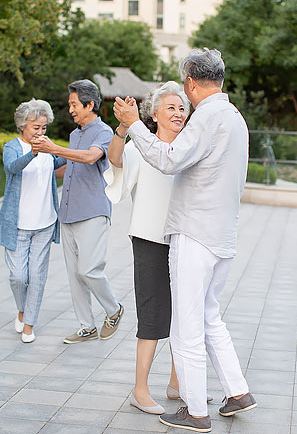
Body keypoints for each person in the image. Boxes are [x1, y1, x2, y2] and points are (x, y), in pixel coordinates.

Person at [113, 49, 256, 433]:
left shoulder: (207, 117)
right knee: (210, 317)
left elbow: (170, 159)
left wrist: (133, 124)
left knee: (187, 325)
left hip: (194, 234)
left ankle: (195, 411)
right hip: (223, 233)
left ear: (191, 83)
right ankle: (238, 391)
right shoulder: (235, 118)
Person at [105, 82, 191, 415]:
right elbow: (115, 159)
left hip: (182, 241)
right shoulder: (142, 147)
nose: (178, 113)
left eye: (182, 108)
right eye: (170, 107)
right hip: (149, 241)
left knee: (184, 315)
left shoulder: (187, 148)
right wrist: (124, 128)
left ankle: (177, 384)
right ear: (154, 114)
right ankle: (140, 390)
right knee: (153, 317)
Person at [32, 79, 124, 344]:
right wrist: (42, 157)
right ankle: (86, 326)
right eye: (69, 104)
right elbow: (67, 165)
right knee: (74, 274)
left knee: (89, 269)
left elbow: (90, 157)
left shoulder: (103, 132)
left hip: (93, 210)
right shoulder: (75, 134)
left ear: (90, 104)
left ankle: (114, 309)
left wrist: (54, 148)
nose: (70, 109)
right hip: (69, 212)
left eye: (74, 104)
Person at [0, 99, 66, 344]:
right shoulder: (12, 147)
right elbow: (12, 168)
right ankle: (21, 310)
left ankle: (29, 323)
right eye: (36, 128)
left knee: (36, 275)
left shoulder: (48, 148)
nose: (41, 133)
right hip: (18, 225)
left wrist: (71, 150)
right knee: (17, 277)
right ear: (23, 125)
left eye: (44, 128)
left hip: (45, 222)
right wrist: (34, 153)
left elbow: (62, 162)